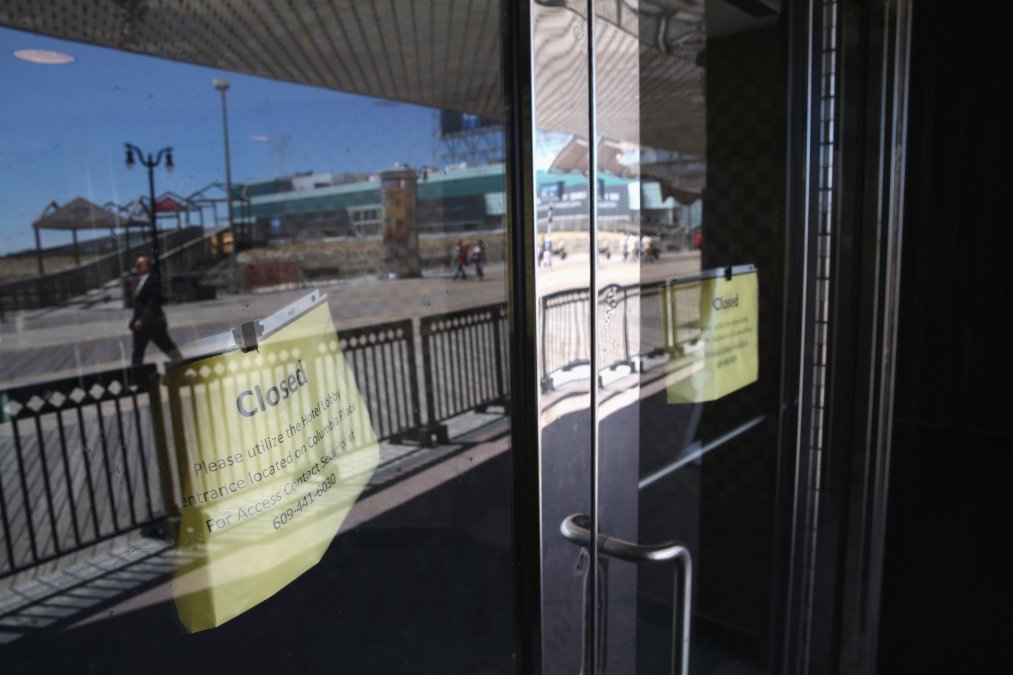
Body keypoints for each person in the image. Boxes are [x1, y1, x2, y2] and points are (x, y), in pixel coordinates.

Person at [130, 255, 181, 366]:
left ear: (148, 266)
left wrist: (142, 320)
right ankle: (137, 378)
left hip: (151, 323)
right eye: (137, 265)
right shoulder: (140, 282)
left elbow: (153, 304)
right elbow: (139, 305)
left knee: (168, 348)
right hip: (142, 326)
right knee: (137, 354)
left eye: (140, 265)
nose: (138, 267)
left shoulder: (152, 281)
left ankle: (182, 366)